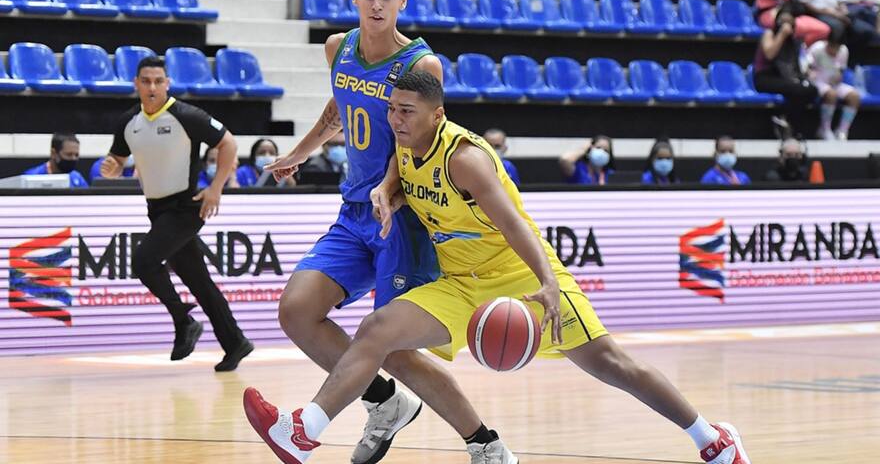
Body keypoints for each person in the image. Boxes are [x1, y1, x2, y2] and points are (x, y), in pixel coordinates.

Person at [243, 71, 750, 464]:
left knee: (613, 366)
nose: (397, 120)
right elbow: (402, 167)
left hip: (522, 279)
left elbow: (517, 225)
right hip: (461, 283)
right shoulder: (404, 138)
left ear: (437, 115)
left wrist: (550, 284)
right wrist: (387, 193)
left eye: (408, 112)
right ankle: (303, 432)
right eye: (393, 110)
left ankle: (712, 438)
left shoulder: (466, 159)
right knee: (377, 330)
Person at [251, 0, 502, 463]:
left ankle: (485, 443)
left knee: (395, 348)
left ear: (403, 0)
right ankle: (385, 404)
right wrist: (299, 153)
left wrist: (388, 187)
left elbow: (419, 139)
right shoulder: (337, 48)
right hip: (354, 211)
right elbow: (339, 109)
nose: (378, 5)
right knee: (297, 311)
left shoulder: (420, 62)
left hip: (403, 219)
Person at [99, 56, 253, 372]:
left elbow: (228, 143)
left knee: (143, 261)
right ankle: (235, 341)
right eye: (146, 81)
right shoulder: (129, 122)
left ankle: (183, 320)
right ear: (136, 84)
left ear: (167, 83)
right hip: (157, 210)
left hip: (186, 207)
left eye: (158, 81)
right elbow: (117, 158)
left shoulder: (186, 115)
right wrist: (113, 169)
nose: (152, 87)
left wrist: (216, 188)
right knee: (198, 280)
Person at [753, 3, 819, 138]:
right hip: (766, 77)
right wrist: (781, 35)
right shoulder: (769, 34)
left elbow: (796, 65)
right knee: (797, 90)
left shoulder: (795, 41)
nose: (786, 25)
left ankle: (785, 119)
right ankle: (787, 122)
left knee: (811, 90)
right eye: (783, 21)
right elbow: (770, 54)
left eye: (789, 22)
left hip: (786, 78)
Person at [794, 0, 879, 59]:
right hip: (816, 12)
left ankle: (849, 62)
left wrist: (843, 12)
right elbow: (804, 3)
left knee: (865, 30)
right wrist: (833, 14)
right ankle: (831, 63)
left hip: (836, 10)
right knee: (838, 27)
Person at [807, 31, 860, 140]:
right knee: (832, 95)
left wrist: (838, 77)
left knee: (854, 96)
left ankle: (843, 130)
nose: (835, 51)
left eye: (838, 48)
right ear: (827, 42)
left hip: (835, 83)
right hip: (817, 82)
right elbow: (806, 68)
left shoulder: (844, 50)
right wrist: (811, 74)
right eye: (833, 47)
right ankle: (824, 129)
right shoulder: (816, 49)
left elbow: (841, 69)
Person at [23, 132, 89, 188]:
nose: (73, 158)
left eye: (76, 155)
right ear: (53, 153)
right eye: (69, 154)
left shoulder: (77, 178)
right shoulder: (31, 177)